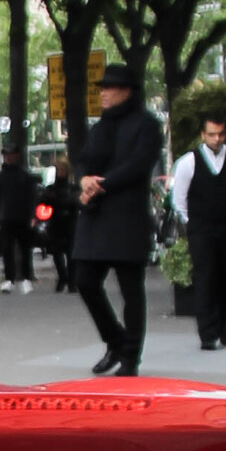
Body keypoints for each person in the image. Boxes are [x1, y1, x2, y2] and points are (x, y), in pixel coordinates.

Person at [73, 64, 165, 376]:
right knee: (84, 279)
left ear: (126, 91)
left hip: (127, 217)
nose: (103, 93)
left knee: (131, 290)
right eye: (101, 88)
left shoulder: (148, 125)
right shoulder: (100, 127)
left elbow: (140, 166)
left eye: (109, 88)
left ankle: (130, 357)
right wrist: (83, 179)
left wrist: (101, 185)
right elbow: (84, 158)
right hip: (96, 216)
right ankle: (114, 339)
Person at [168, 112, 226, 351]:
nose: (216, 139)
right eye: (212, 134)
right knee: (205, 277)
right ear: (203, 135)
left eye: (221, 134)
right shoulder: (188, 162)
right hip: (201, 228)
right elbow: (179, 199)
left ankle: (223, 326)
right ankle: (208, 333)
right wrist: (192, 221)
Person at [0, 145, 36, 291]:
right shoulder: (0, 177)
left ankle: (26, 278)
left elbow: (32, 197)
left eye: (11, 154)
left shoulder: (25, 176)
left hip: (23, 217)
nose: (9, 157)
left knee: (25, 249)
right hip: (6, 218)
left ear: (17, 156)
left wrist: (32, 215)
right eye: (7, 155)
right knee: (7, 250)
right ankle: (9, 279)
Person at [41, 155, 77, 293]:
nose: (60, 172)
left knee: (70, 253)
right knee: (56, 252)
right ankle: (63, 276)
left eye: (62, 169)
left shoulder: (72, 188)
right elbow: (43, 200)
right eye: (58, 169)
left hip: (70, 223)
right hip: (56, 222)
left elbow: (74, 202)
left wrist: (56, 200)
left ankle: (71, 281)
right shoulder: (52, 188)